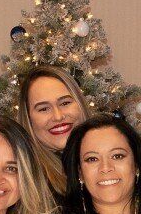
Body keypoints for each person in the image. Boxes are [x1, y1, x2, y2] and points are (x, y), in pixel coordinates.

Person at [15, 65, 88, 201]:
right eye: (43, 109)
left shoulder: (108, 164)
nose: (58, 116)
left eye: (65, 103)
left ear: (80, 104)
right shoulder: (25, 184)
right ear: (28, 119)